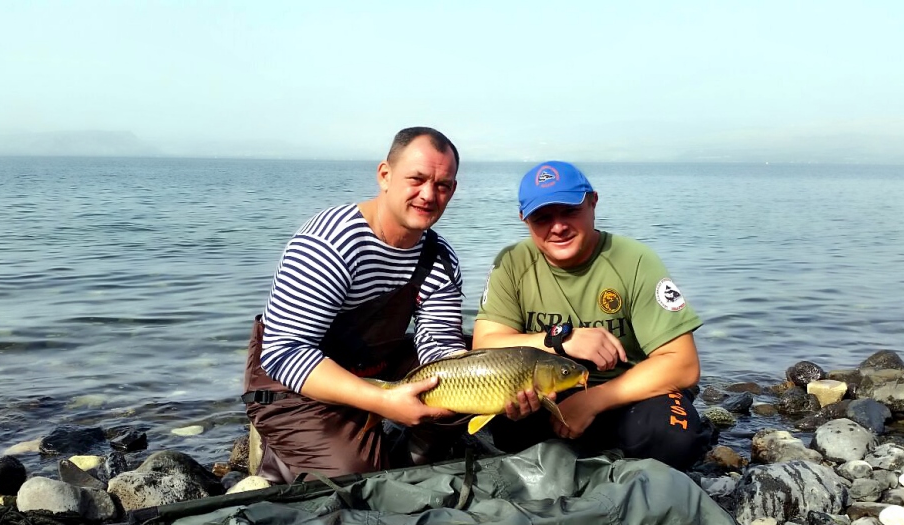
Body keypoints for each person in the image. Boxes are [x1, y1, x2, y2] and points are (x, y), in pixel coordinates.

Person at [242, 127, 468, 483]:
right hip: (294, 383)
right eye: (417, 179)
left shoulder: (438, 256)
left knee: (469, 390)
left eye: (442, 185)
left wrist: (499, 391)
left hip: (372, 366)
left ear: (452, 190)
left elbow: (439, 343)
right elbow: (284, 352)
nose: (428, 194)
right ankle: (281, 458)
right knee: (357, 478)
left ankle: (404, 462)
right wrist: (382, 402)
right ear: (385, 175)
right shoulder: (329, 243)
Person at [472, 161, 711, 470]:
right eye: (543, 217)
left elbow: (683, 364)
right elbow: (485, 345)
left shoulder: (636, 260)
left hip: (627, 395)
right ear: (524, 219)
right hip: (549, 398)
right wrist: (561, 341)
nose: (557, 227)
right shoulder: (512, 263)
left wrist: (591, 401)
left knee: (676, 439)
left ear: (592, 202)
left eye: (569, 211)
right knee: (505, 425)